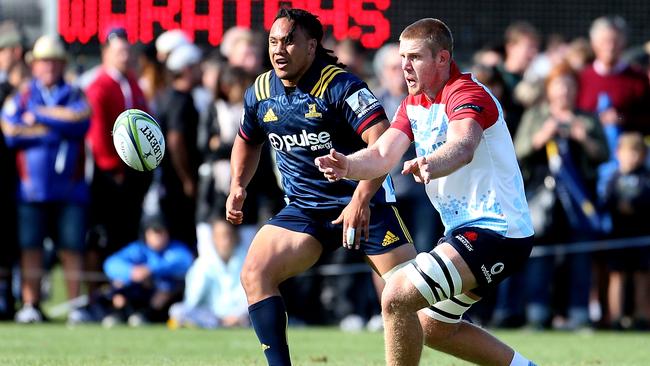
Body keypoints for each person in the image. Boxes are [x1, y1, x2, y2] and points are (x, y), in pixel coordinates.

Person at [315, 18, 536, 365]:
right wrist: (348, 165)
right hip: (467, 233)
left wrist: (433, 162)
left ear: (443, 59)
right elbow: (382, 155)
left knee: (397, 296)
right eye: (403, 57)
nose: (405, 65)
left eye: (415, 57)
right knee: (431, 325)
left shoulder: (467, 93)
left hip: (497, 232)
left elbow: (463, 145)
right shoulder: (412, 104)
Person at [226, 8, 417, 365]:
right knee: (255, 273)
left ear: (312, 46)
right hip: (305, 210)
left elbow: (382, 145)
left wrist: (360, 201)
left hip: (366, 204)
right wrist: (238, 184)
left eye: (289, 42)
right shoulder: (261, 90)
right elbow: (247, 139)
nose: (279, 50)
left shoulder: (342, 86)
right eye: (272, 42)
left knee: (414, 301)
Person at [1, 35, 90, 323]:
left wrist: (38, 116)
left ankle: (75, 305)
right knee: (31, 247)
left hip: (70, 187)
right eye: (44, 61)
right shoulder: (23, 95)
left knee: (72, 247)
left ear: (62, 64)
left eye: (54, 61)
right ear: (35, 65)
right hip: (31, 189)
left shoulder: (74, 94)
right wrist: (54, 128)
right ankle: (31, 304)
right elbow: (11, 131)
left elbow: (79, 121)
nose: (49, 67)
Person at [84, 28, 152, 285]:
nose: (125, 56)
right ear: (106, 53)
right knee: (103, 237)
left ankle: (123, 293)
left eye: (127, 51)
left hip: (132, 175)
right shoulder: (100, 86)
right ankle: (98, 293)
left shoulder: (132, 84)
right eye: (119, 51)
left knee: (126, 236)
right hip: (110, 177)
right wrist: (114, 169)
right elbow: (98, 133)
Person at [101, 215, 193, 327]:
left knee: (167, 286)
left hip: (163, 297)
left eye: (161, 232)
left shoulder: (175, 248)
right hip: (137, 291)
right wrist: (131, 272)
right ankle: (118, 314)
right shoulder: (138, 249)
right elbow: (110, 264)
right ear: (147, 234)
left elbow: (185, 261)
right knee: (119, 284)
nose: (158, 236)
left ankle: (146, 315)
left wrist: (151, 269)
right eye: (154, 232)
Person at [156, 43, 203, 248]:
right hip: (177, 186)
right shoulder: (180, 101)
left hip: (169, 183)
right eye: (197, 66)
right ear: (187, 70)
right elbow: (175, 140)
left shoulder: (165, 96)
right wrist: (187, 179)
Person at [602, 132, 650, 330]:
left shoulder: (645, 178)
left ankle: (641, 315)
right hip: (618, 235)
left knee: (642, 275)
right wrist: (617, 205)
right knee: (617, 275)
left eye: (637, 153)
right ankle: (616, 316)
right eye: (629, 153)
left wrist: (636, 206)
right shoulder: (614, 178)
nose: (633, 158)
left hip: (641, 236)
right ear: (618, 153)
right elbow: (605, 201)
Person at [168, 217, 249, 329]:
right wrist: (203, 271)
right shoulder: (203, 263)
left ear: (235, 237)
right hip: (212, 315)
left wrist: (237, 315)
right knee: (177, 310)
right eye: (220, 236)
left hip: (240, 315)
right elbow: (192, 301)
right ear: (213, 239)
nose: (225, 241)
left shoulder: (247, 260)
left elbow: (250, 296)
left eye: (228, 235)